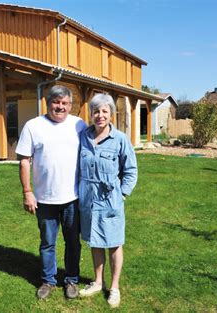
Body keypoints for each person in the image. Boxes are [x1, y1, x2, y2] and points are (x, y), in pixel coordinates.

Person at [15, 85, 87, 299]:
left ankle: (72, 280)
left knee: (73, 242)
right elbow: (24, 162)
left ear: (70, 105)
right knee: (48, 242)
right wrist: (28, 191)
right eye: (56, 102)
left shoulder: (79, 125)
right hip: (44, 199)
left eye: (65, 103)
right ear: (47, 103)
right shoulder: (33, 126)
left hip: (72, 198)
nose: (60, 107)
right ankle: (48, 280)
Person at [77, 93, 138, 308]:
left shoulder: (120, 139)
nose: (100, 115)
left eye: (104, 111)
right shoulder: (83, 137)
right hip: (87, 200)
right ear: (91, 114)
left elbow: (130, 171)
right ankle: (97, 282)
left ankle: (114, 287)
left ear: (111, 114)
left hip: (110, 200)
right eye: (96, 111)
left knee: (113, 243)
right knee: (94, 241)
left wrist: (122, 194)